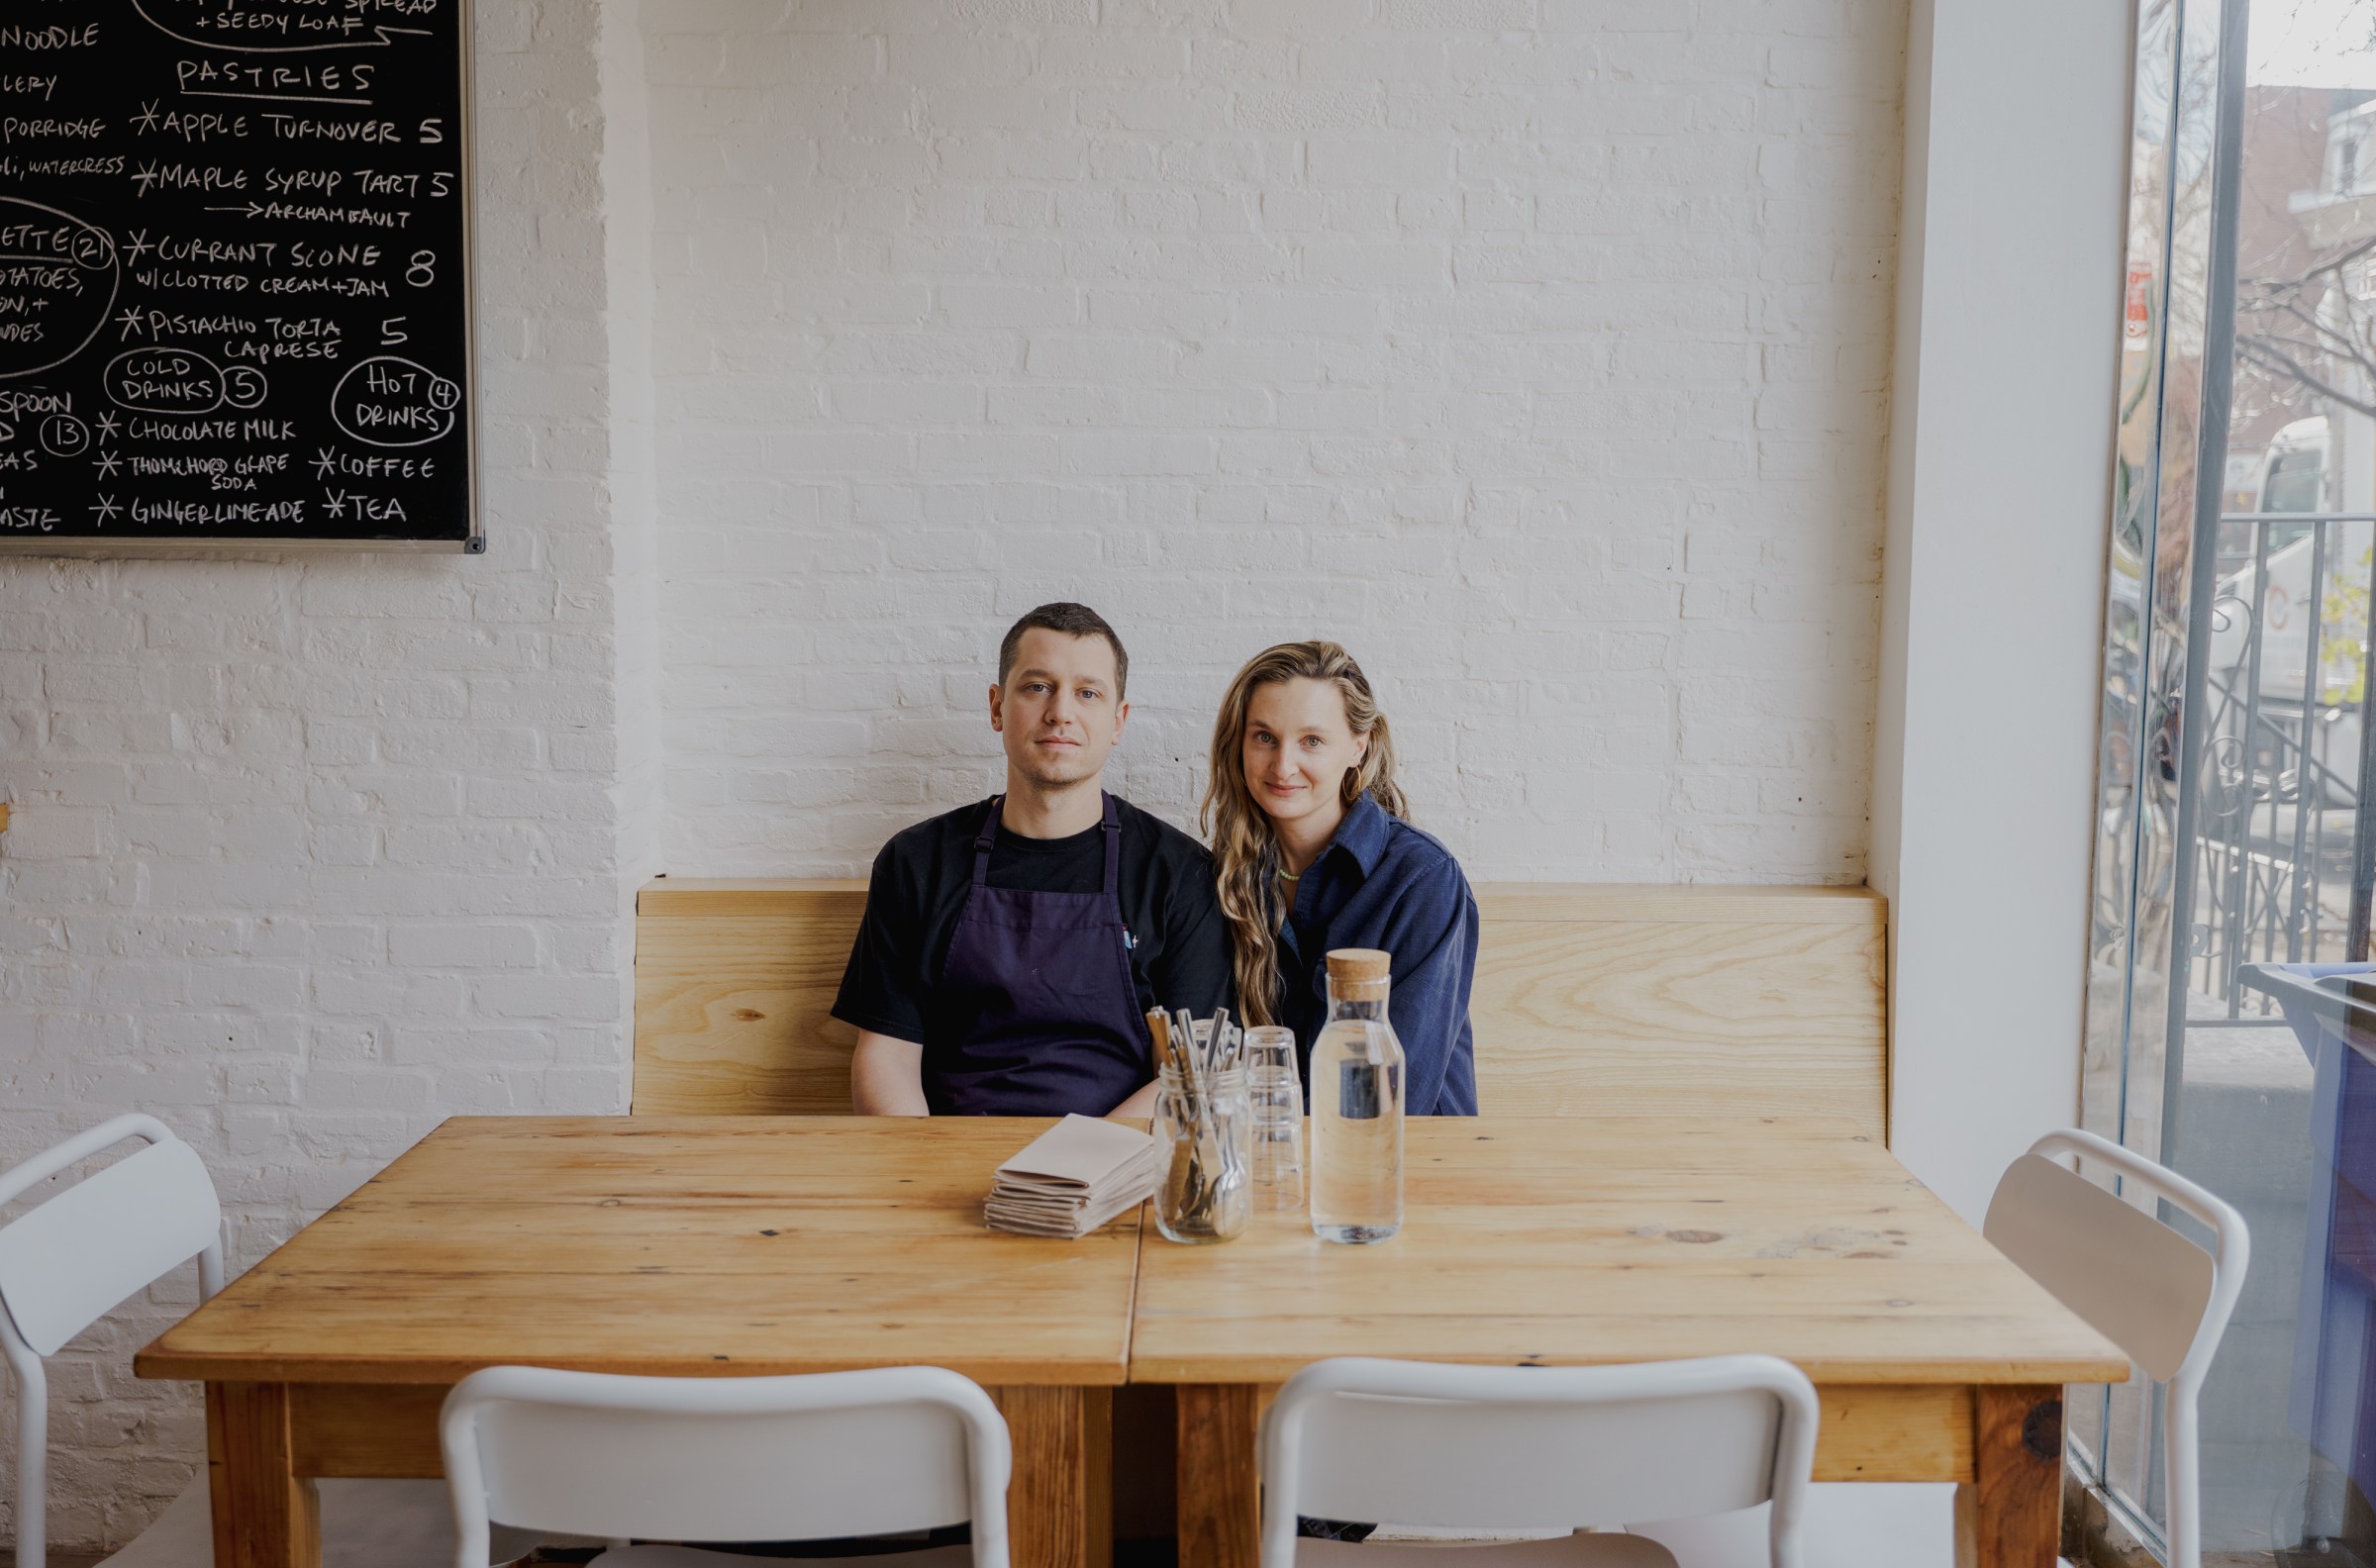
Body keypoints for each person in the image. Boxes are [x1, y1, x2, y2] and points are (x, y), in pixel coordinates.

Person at [835, 603, 1230, 1117]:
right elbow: (887, 1056)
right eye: (1037, 686)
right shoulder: (916, 863)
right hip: (945, 1159)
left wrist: (1082, 1171)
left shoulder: (1179, 874)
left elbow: (1186, 1075)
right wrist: (922, 1171)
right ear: (997, 707)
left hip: (1115, 1167)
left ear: (1118, 721)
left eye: (1087, 693)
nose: (1060, 711)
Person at [1201, 640, 1478, 1115]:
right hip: (1276, 1158)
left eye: (1311, 740)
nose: (1283, 765)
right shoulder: (1229, 877)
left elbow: (1394, 1094)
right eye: (1264, 737)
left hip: (1408, 1162)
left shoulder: (1422, 880)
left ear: (1358, 745)